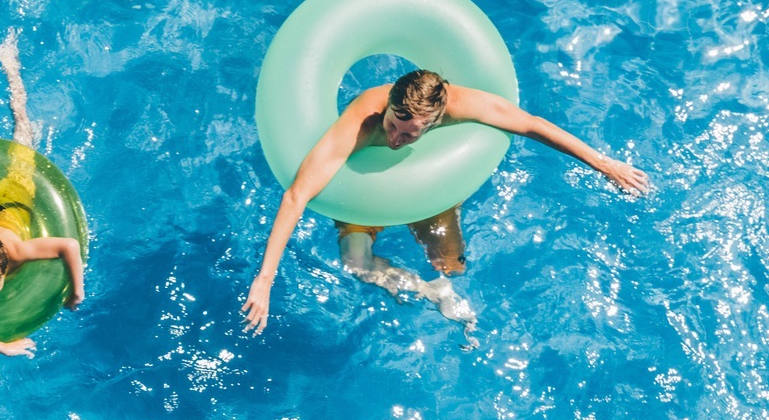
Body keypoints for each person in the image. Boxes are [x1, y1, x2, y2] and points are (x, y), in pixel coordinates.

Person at [241, 68, 649, 333]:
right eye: (392, 127)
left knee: (451, 263)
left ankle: (448, 288)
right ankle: (429, 291)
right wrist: (265, 279)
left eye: (410, 134)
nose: (397, 140)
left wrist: (604, 164)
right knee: (356, 264)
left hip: (425, 189)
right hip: (362, 195)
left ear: (435, 121)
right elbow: (297, 195)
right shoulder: (363, 119)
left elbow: (532, 125)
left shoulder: (459, 105)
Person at [0, 30, 87, 357]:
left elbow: (70, 245)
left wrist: (76, 292)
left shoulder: (19, 252)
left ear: (2, 268)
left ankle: (12, 71)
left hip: (16, 193)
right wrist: (5, 348)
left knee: (22, 129)